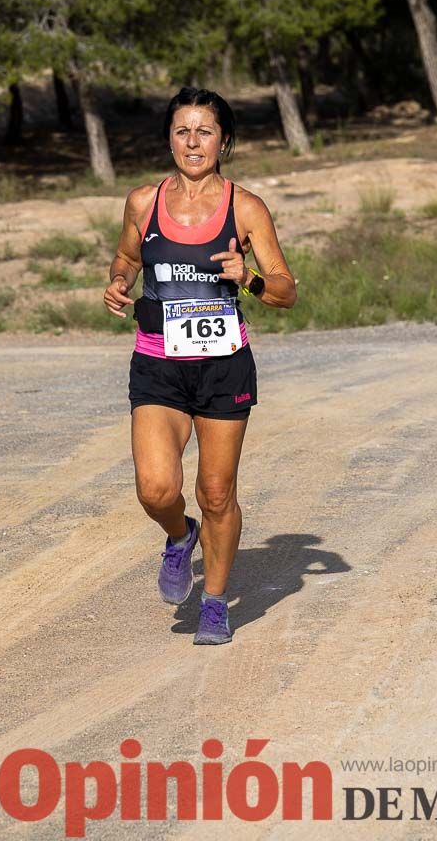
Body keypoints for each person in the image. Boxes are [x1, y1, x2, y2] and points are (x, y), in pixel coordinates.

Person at [103, 86, 296, 644]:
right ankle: (178, 533)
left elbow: (285, 290)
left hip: (222, 366)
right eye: (182, 130)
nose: (193, 142)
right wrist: (118, 281)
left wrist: (249, 277)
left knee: (217, 492)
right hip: (158, 363)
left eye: (204, 131)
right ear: (169, 138)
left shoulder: (246, 207)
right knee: (156, 488)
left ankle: (214, 601)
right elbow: (126, 256)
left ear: (224, 141)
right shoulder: (144, 201)